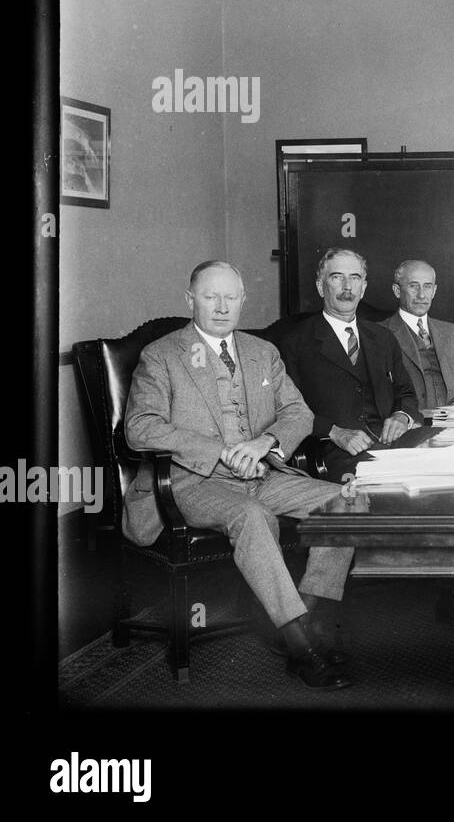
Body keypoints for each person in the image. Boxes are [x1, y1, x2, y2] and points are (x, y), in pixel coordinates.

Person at [124, 260, 358, 690]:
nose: (221, 306)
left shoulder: (261, 351)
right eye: (210, 296)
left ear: (243, 301)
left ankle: (298, 620)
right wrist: (221, 451)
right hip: (192, 482)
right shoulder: (161, 355)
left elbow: (298, 412)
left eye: (230, 297)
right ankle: (301, 645)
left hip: (263, 475)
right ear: (189, 299)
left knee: (346, 500)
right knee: (252, 517)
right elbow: (140, 429)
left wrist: (265, 443)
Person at [280, 247, 423, 482]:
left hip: (393, 445)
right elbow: (287, 409)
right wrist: (334, 432)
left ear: (363, 288)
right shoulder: (294, 341)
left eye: (355, 278)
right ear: (320, 286)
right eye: (337, 277)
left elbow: (406, 393)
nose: (347, 287)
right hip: (336, 451)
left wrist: (401, 416)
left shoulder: (384, 338)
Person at [381, 259, 454, 410]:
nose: (422, 295)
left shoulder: (451, 332)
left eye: (427, 287)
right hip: (410, 425)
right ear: (397, 291)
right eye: (413, 286)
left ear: (434, 291)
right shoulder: (380, 333)